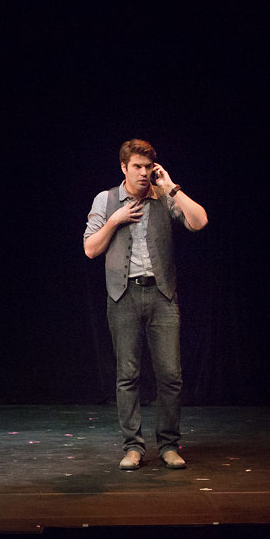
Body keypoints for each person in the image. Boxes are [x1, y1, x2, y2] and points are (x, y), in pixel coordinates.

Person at [84, 139, 208, 470]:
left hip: (161, 295)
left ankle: (168, 444)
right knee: (127, 375)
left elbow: (200, 221)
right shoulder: (106, 200)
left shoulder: (164, 196)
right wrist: (115, 220)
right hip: (123, 296)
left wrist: (172, 187)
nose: (143, 172)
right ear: (123, 167)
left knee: (170, 375)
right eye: (137, 166)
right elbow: (90, 249)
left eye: (148, 167)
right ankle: (133, 447)